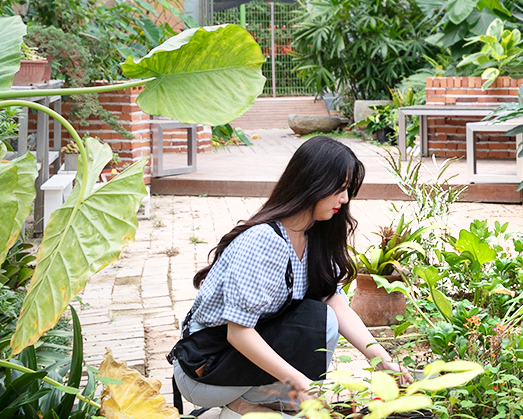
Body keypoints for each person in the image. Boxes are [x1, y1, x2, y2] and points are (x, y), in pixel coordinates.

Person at [172, 136, 401, 418]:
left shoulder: (313, 235)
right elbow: (238, 333)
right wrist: (300, 384)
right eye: (339, 189)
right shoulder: (264, 241)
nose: (344, 199)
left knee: (323, 318)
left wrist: (382, 360)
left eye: (347, 190)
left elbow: (336, 304)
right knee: (318, 324)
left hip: (237, 360)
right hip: (205, 367)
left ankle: (256, 406)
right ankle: (243, 406)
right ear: (313, 183)